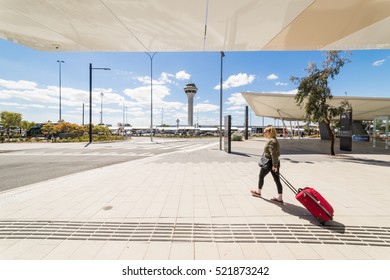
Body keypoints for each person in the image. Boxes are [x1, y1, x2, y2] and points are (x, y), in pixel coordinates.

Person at [251, 125, 283, 203]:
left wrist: (274, 165)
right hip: (273, 162)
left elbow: (274, 154)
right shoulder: (273, 140)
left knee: (261, 176)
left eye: (265, 131)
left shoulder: (272, 141)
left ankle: (258, 192)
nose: (264, 133)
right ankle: (280, 198)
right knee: (277, 180)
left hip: (270, 163)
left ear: (270, 132)